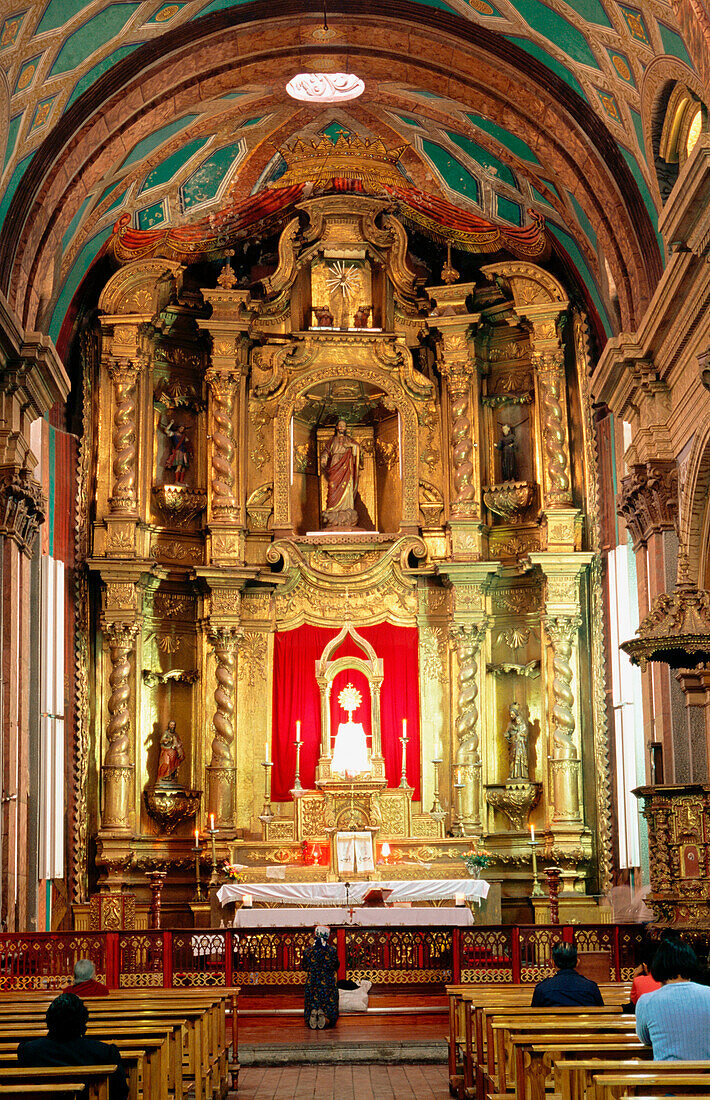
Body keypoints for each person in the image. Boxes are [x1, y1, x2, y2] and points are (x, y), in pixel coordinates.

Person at [17, 992, 128, 1099]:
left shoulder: (28, 1051)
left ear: (49, 1020)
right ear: (83, 1022)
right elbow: (120, 1092)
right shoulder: (104, 1053)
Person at [636, 939, 710, 1060]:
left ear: (658, 965)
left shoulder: (646, 1001)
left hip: (666, 1076)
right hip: (706, 1076)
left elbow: (645, 1039)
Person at [531, 942, 604, 1007]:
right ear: (577, 962)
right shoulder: (591, 987)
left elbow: (534, 1016)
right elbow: (602, 1014)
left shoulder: (542, 988)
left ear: (553, 963)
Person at [320, 419, 360, 527]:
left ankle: (346, 509)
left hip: (346, 465)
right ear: (337, 427)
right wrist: (324, 457)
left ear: (346, 428)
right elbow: (326, 451)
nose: (342, 428)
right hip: (335, 463)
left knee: (347, 486)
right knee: (333, 487)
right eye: (340, 426)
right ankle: (332, 509)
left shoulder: (349, 440)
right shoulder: (332, 440)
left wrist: (352, 446)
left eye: (344, 426)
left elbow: (357, 449)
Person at [302, 925, 340, 1029]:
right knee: (329, 1000)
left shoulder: (307, 951)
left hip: (312, 981)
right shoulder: (332, 950)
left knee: (312, 999)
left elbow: (304, 967)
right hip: (327, 982)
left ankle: (312, 1015)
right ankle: (326, 1017)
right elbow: (336, 965)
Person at [504, 702, 529, 781]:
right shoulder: (510, 724)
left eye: (512, 714)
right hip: (513, 744)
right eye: (510, 715)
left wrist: (519, 734)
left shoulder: (522, 724)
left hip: (520, 744)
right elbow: (507, 733)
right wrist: (507, 735)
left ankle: (521, 774)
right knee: (512, 759)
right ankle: (513, 775)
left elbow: (525, 732)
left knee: (520, 758)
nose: (511, 716)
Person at [157, 720, 185, 786]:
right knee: (165, 763)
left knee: (173, 765)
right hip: (166, 751)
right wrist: (170, 740)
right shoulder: (166, 733)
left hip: (173, 752)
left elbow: (179, 742)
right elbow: (162, 740)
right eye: (171, 725)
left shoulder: (176, 734)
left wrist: (178, 744)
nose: (172, 726)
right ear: (169, 726)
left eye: (173, 725)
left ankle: (170, 777)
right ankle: (163, 776)